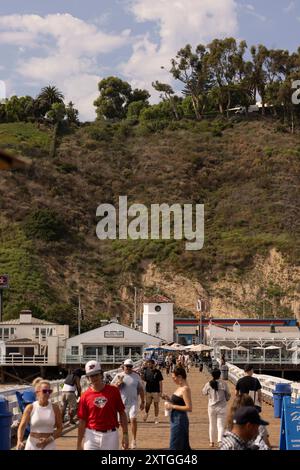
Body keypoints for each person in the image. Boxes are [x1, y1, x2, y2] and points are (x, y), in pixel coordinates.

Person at [77, 360, 128, 450]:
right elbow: (82, 421)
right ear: (88, 378)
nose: (94, 378)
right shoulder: (84, 396)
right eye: (91, 376)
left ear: (101, 374)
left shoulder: (114, 391)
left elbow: (122, 413)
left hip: (111, 435)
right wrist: (79, 443)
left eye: (96, 374)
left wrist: (125, 434)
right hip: (91, 435)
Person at [17, 378, 62, 450]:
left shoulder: (55, 408)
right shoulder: (30, 407)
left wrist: (48, 440)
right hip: (32, 445)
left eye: (49, 391)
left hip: (49, 444)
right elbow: (22, 426)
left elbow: (60, 428)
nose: (47, 393)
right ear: (37, 392)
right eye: (45, 391)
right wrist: (19, 441)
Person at [111, 358, 145, 449]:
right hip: (122, 403)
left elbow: (141, 389)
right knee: (123, 423)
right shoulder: (119, 375)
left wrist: (143, 401)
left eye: (130, 366)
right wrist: (118, 383)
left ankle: (133, 440)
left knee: (133, 419)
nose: (129, 368)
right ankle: (125, 439)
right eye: (127, 366)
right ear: (123, 367)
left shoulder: (136, 376)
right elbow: (111, 388)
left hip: (133, 401)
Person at [163, 366, 192, 450]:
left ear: (180, 377)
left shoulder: (185, 389)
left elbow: (189, 407)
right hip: (175, 418)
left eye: (174, 377)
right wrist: (169, 399)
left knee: (175, 445)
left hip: (179, 420)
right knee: (182, 445)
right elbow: (179, 401)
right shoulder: (181, 387)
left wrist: (172, 406)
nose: (173, 380)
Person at [202, 368, 231, 448]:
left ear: (212, 375)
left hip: (211, 407)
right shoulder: (224, 383)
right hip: (222, 406)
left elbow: (203, 392)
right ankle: (220, 441)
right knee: (220, 425)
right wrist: (226, 398)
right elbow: (228, 395)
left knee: (212, 424)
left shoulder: (208, 383)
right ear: (220, 374)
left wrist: (210, 393)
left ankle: (211, 442)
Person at [142, 359, 163, 424]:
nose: (149, 365)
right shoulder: (146, 371)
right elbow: (144, 380)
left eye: (150, 364)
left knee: (156, 404)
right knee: (147, 404)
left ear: (153, 364)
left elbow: (160, 382)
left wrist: (160, 391)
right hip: (148, 390)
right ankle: (146, 413)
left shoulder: (158, 372)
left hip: (156, 390)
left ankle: (156, 418)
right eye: (148, 364)